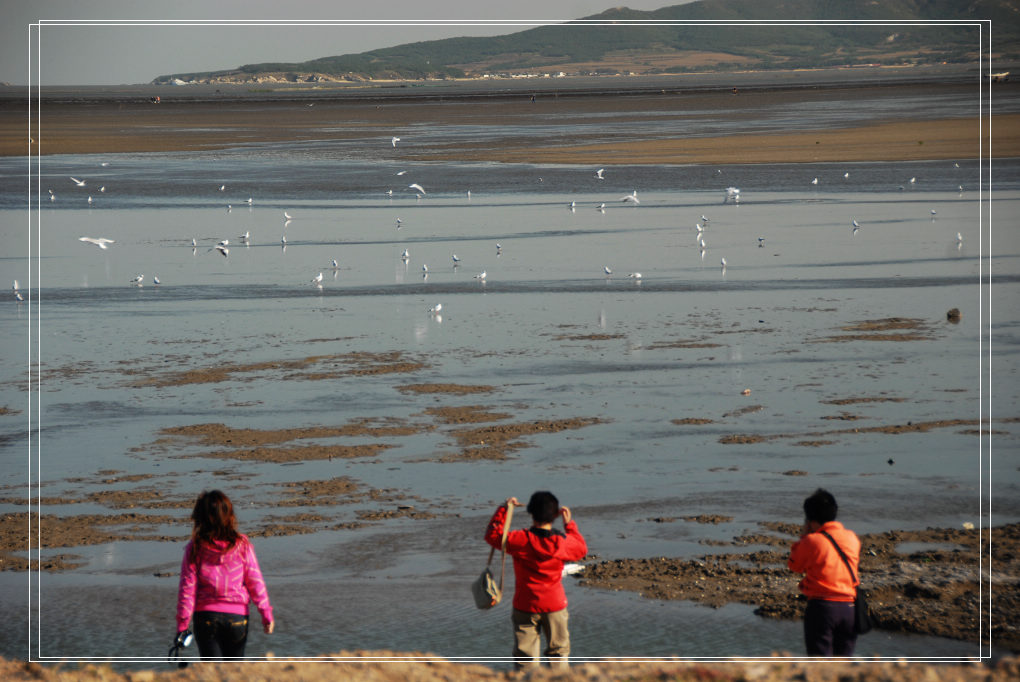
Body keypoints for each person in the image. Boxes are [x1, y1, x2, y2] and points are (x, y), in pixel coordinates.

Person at [484, 491, 587, 670]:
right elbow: (581, 549)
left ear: (530, 512)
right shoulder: (562, 542)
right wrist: (569, 525)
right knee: (559, 654)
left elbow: (492, 535)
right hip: (555, 604)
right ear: (555, 515)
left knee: (525, 659)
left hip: (525, 604)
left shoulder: (520, 539)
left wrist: (504, 510)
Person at [176, 490, 274, 660]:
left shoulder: (195, 548)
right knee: (233, 671)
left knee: (212, 673)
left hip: (205, 617)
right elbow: (255, 582)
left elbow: (187, 590)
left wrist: (182, 625)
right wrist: (266, 614)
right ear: (230, 516)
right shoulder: (242, 545)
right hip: (237, 617)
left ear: (200, 517)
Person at [787, 488, 861, 656]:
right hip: (850, 607)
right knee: (843, 663)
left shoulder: (812, 541)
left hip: (822, 607)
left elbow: (794, 565)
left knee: (820, 664)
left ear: (810, 520)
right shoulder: (852, 538)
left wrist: (803, 537)